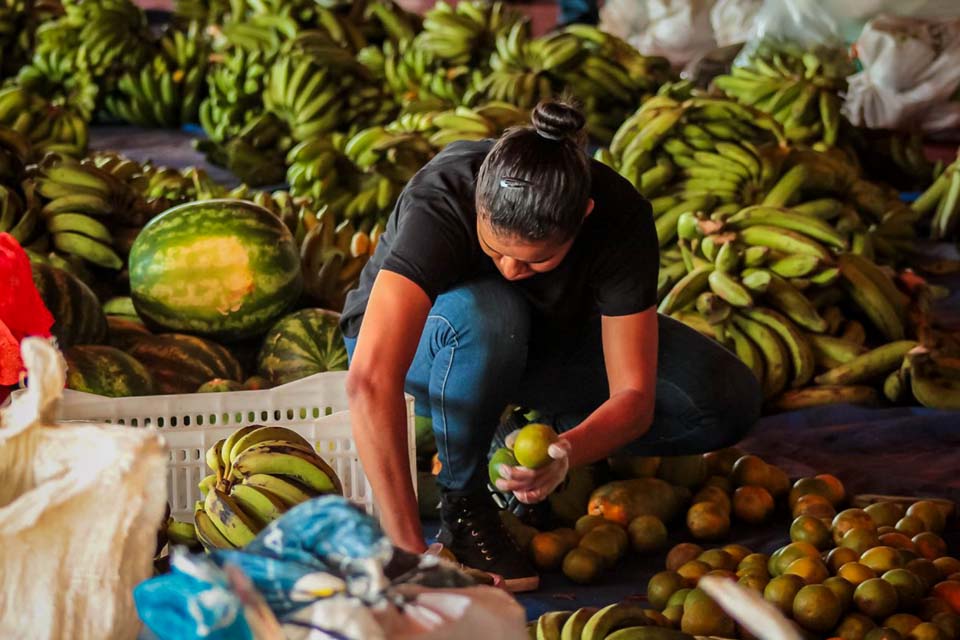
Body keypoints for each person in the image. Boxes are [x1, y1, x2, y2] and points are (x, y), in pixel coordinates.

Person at [341, 98, 761, 593]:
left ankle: (509, 431)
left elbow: (633, 396)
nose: (510, 268)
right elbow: (371, 379)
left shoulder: (619, 218)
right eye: (494, 249)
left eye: (534, 261)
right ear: (478, 203)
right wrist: (408, 550)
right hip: (427, 348)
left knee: (723, 400)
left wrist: (567, 452)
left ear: (582, 216)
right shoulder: (444, 196)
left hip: (540, 342)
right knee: (492, 311)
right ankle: (464, 501)